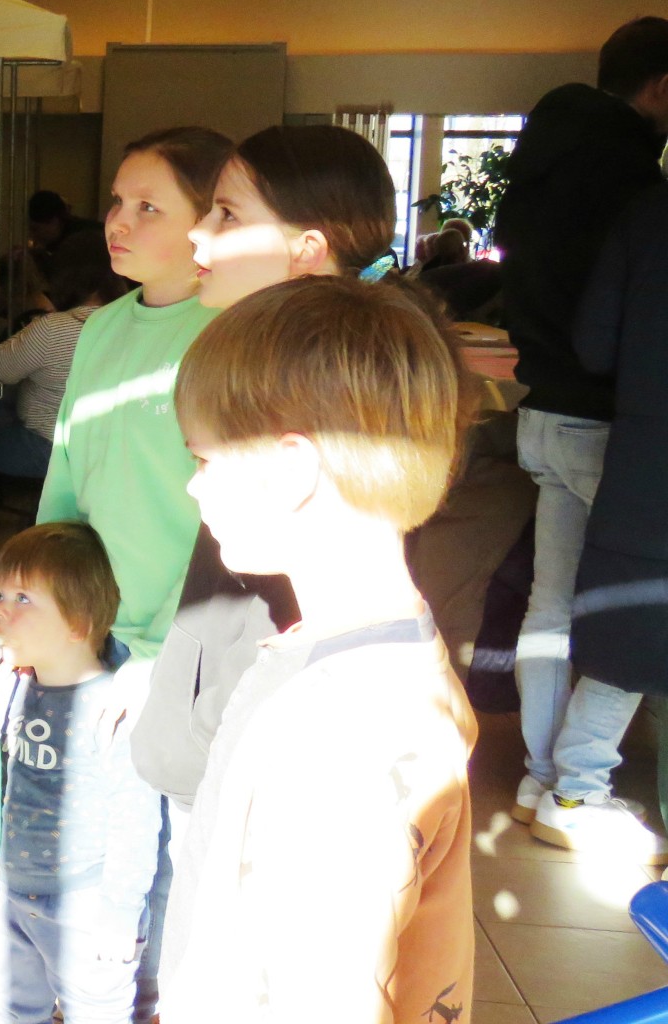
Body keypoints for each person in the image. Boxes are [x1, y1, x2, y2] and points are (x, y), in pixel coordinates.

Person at [163, 277, 476, 1024]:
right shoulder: (377, 651)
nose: (193, 487)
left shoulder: (339, 740)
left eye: (204, 460)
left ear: (293, 468)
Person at [129, 122, 396, 811]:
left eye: (227, 214)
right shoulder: (263, 360)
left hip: (245, 771)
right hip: (209, 741)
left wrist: (215, 740)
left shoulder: (318, 397)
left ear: (307, 248)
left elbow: (283, 613)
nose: (199, 234)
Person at [494, 16, 668, 856]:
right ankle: (579, 783)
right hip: (616, 425)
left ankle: (541, 775)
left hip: (543, 411)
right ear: (662, 88)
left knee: (554, 603)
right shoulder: (634, 179)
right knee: (641, 598)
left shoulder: (541, 156)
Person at [36, 126, 234, 657]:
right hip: (88, 618)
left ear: (210, 219)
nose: (118, 221)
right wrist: (43, 599)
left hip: (182, 636)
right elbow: (66, 477)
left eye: (149, 207)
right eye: (118, 202)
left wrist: (159, 648)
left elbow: (224, 526)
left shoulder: (229, 335)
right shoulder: (101, 327)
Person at [0, 522, 165, 1024]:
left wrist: (121, 913)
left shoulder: (112, 709)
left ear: (78, 621)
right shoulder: (17, 684)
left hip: (85, 903)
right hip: (13, 887)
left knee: (97, 1013)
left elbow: (135, 820)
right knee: (14, 1009)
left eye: (22, 598)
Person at [549, 181, 668, 861]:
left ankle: (576, 790)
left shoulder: (646, 212)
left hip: (648, 453)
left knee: (628, 628)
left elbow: (595, 345)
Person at [0, 234, 126, 569]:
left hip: (48, 446)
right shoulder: (129, 325)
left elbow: (0, 369)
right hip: (108, 448)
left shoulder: (55, 328)